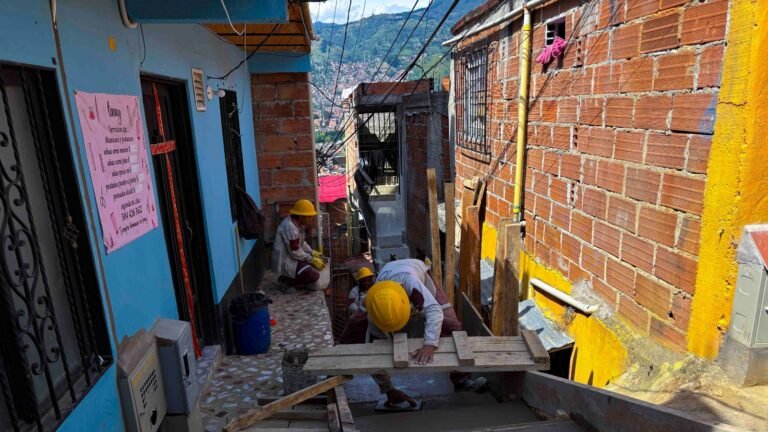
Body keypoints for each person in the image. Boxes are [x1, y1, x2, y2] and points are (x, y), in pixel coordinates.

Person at [339, 258, 486, 407]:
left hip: (414, 269)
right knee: (355, 325)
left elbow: (434, 311)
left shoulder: (413, 285)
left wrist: (430, 344)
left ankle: (461, 379)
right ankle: (336, 364)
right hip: (389, 278)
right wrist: (388, 389)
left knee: (450, 323)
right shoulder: (371, 304)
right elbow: (373, 352)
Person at [271, 199, 326, 290]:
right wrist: (311, 259)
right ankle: (286, 281)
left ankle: (293, 278)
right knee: (314, 275)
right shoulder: (289, 227)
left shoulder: (297, 224)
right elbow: (295, 251)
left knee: (314, 266)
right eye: (309, 217)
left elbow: (301, 242)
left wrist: (312, 252)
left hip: (293, 257)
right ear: (301, 216)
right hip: (287, 261)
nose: (311, 219)